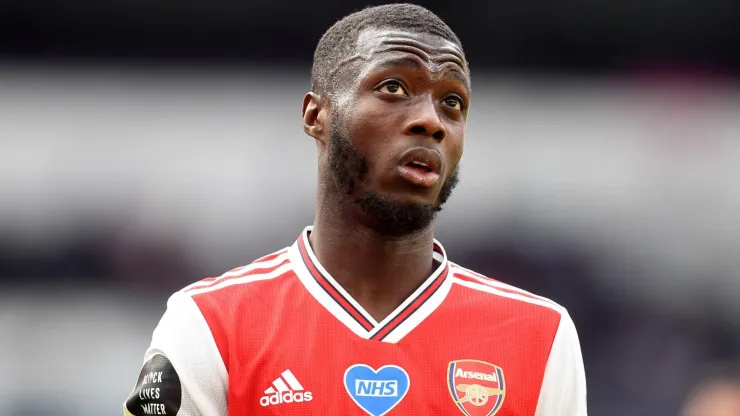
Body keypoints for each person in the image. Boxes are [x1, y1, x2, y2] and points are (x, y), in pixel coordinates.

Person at [123, 4, 587, 415]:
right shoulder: (208, 324)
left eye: (452, 102)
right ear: (315, 116)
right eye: (393, 87)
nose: (431, 120)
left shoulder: (540, 336)